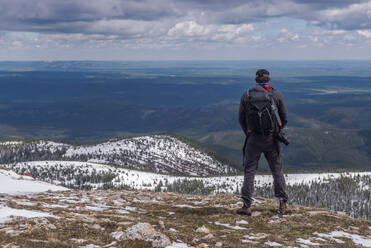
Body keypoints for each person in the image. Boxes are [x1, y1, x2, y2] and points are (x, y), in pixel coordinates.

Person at [237, 69, 289, 216]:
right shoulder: (276, 94)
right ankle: (283, 204)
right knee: (277, 171)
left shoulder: (246, 95)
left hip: (253, 139)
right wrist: (276, 131)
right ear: (268, 79)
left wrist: (248, 132)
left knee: (249, 171)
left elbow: (241, 119)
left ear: (255, 80)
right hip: (271, 139)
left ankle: (246, 206)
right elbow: (284, 118)